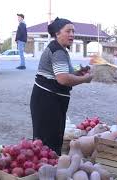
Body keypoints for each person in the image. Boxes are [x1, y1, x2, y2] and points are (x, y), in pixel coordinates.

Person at [30, 17, 93, 155]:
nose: (72, 34)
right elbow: (63, 79)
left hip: (48, 100)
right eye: (68, 31)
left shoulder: (59, 49)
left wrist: (77, 73)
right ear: (57, 33)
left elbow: (61, 73)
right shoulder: (57, 51)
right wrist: (84, 79)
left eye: (73, 31)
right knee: (49, 143)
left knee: (48, 140)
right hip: (47, 101)